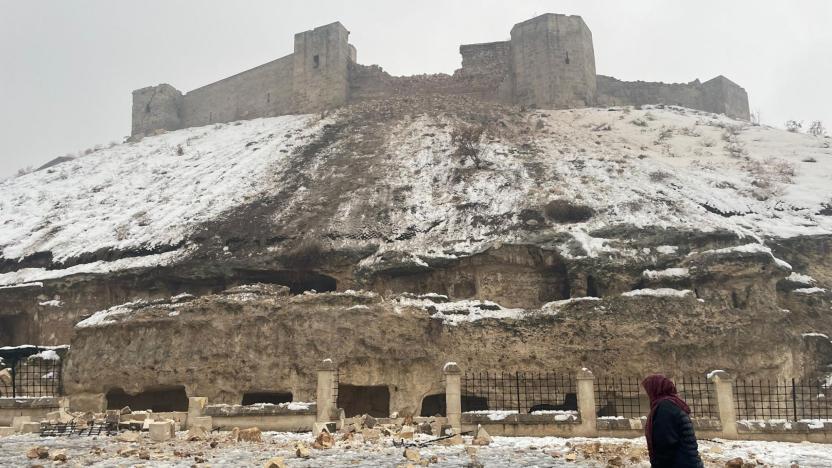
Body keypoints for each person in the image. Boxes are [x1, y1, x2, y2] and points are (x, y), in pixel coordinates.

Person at [642, 374, 704, 468]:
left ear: (656, 389)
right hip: (688, 461)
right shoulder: (672, 403)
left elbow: (666, 443)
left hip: (679, 463)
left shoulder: (665, 408)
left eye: (648, 390)